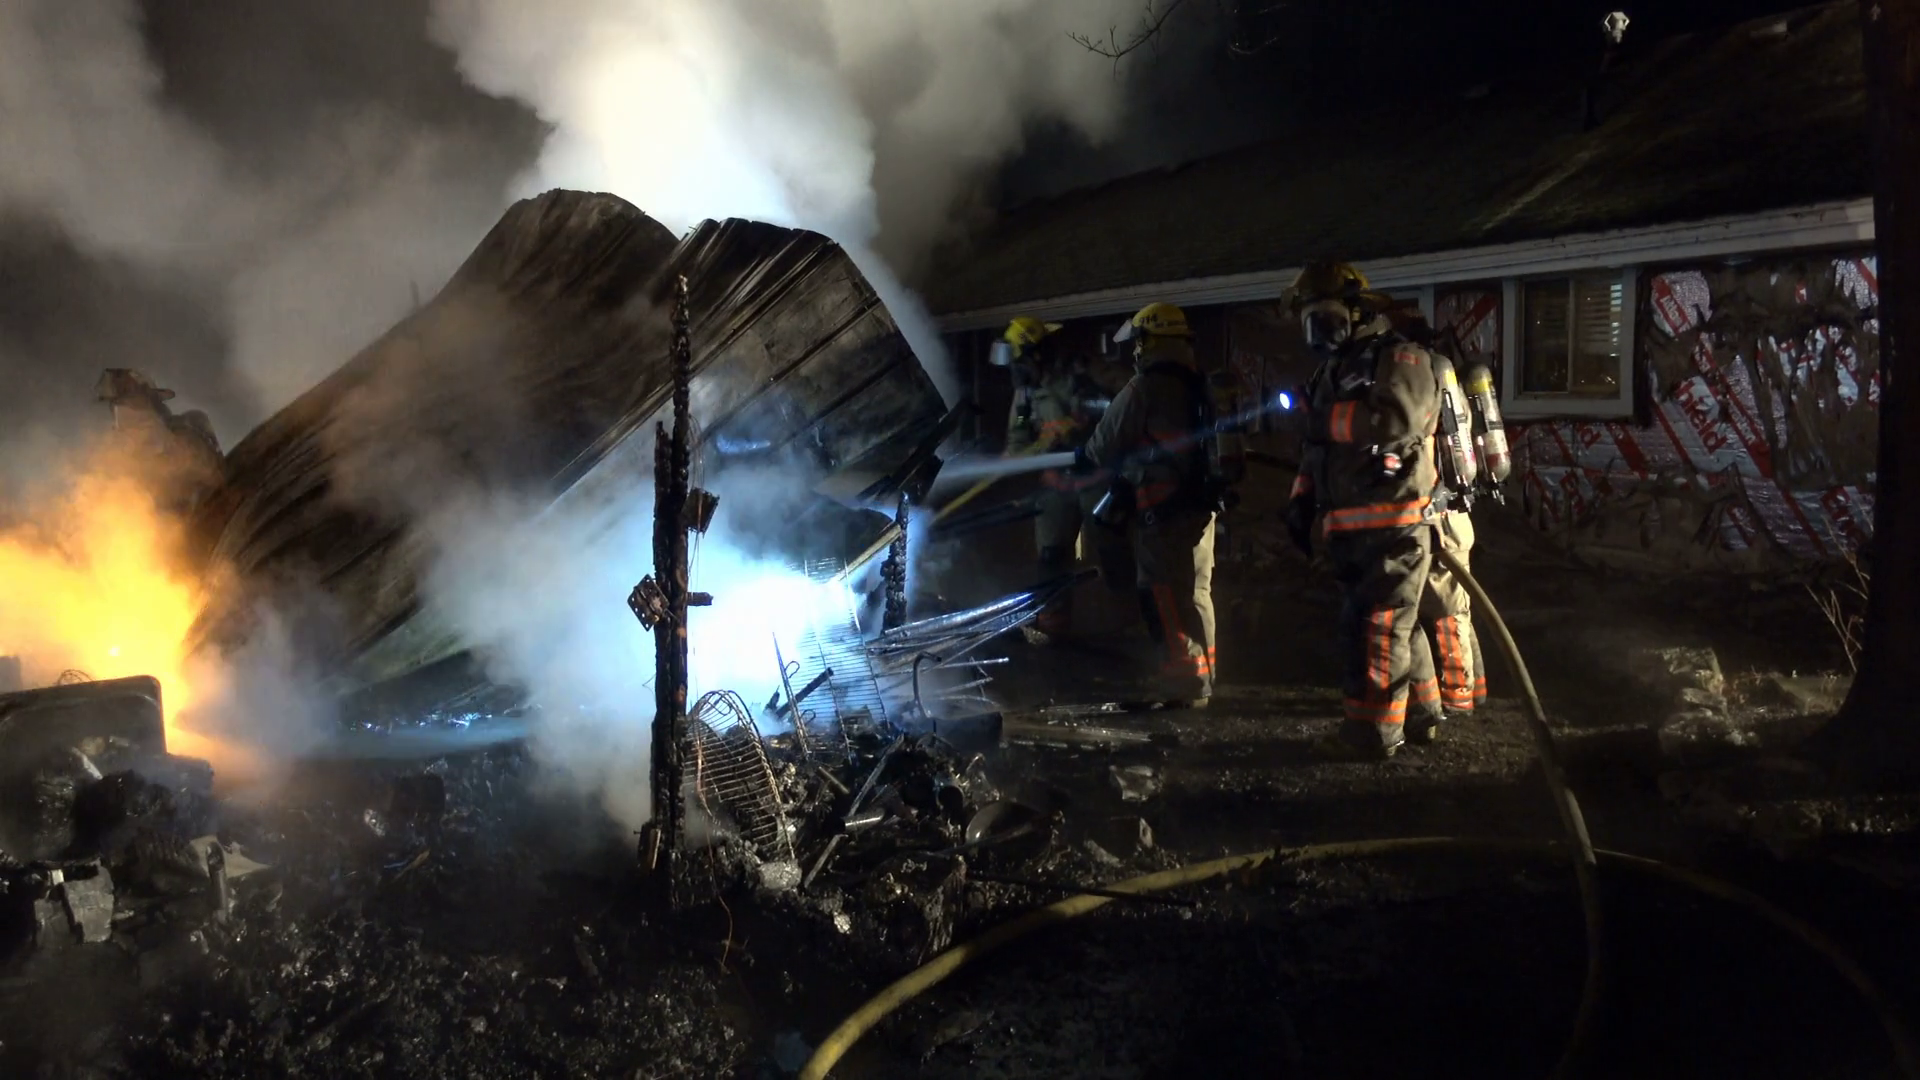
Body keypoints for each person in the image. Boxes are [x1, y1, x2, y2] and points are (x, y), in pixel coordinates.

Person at [1282, 262, 1446, 758]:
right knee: (1391, 625)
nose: (1316, 332)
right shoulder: (1331, 372)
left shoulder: (1400, 357)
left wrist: (1323, 419)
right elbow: (1317, 448)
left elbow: (1397, 421)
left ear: (1355, 312)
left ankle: (1373, 734)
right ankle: (1422, 714)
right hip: (1352, 526)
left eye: (1323, 317)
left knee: (1379, 628)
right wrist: (1301, 499)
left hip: (1394, 523)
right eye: (1309, 321)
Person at [1076, 302, 1217, 709]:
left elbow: (1103, 446)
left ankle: (1184, 682)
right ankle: (1204, 676)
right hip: (1201, 508)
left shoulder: (1143, 387)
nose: (1136, 350)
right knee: (1197, 591)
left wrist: (1084, 457)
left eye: (1139, 341)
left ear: (1150, 341)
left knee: (1161, 595)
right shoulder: (1200, 383)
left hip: (1162, 509)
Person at [997, 316, 1116, 644]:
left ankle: (1129, 623)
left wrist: (1080, 417)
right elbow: (1018, 437)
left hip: (1095, 480)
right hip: (1056, 486)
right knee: (1051, 556)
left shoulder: (1080, 372)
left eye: (1020, 361)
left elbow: (1115, 404)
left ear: (1036, 354)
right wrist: (1018, 455)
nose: (1017, 370)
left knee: (1114, 550)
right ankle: (1053, 625)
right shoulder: (1025, 395)